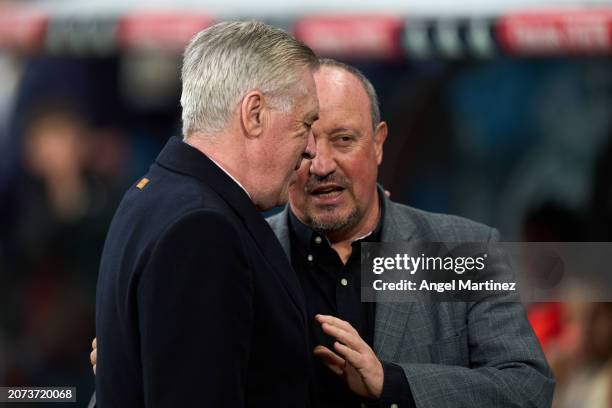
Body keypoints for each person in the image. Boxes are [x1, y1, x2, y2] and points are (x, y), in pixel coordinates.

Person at [92, 58, 555, 407]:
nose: (322, 165)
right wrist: (130, 372)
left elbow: (528, 387)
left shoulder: (458, 252)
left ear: (379, 143)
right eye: (307, 143)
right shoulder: (229, 255)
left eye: (344, 140)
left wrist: (392, 382)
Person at [95, 21, 319, 407]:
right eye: (306, 124)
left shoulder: (154, 193)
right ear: (254, 114)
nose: (312, 149)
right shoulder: (203, 229)